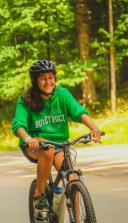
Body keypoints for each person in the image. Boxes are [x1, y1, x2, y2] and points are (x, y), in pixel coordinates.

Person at [12, 60, 101, 210]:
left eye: (51, 77)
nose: (48, 82)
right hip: (35, 144)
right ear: (36, 81)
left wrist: (94, 128)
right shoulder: (26, 99)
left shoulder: (62, 94)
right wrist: (28, 138)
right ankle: (40, 196)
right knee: (48, 149)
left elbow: (78, 112)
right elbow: (18, 125)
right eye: (43, 78)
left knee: (73, 179)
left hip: (60, 144)